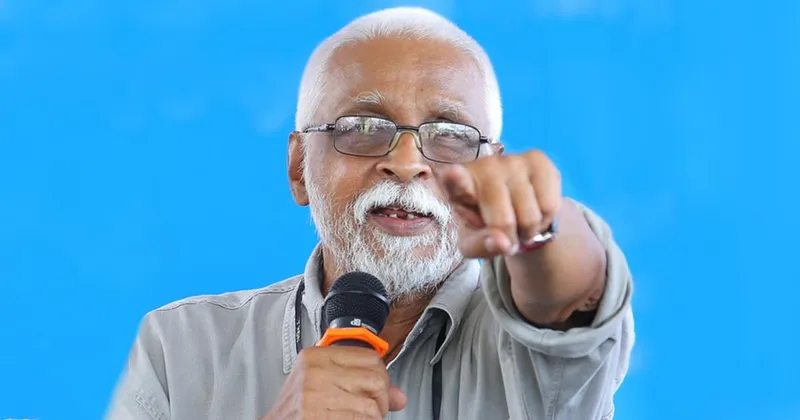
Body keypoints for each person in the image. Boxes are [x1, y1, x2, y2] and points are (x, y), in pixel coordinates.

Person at [106, 6, 634, 420]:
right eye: (361, 128)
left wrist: (538, 226)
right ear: (298, 168)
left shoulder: (529, 351)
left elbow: (570, 292)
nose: (406, 163)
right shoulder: (181, 348)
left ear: (491, 168)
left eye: (450, 135)